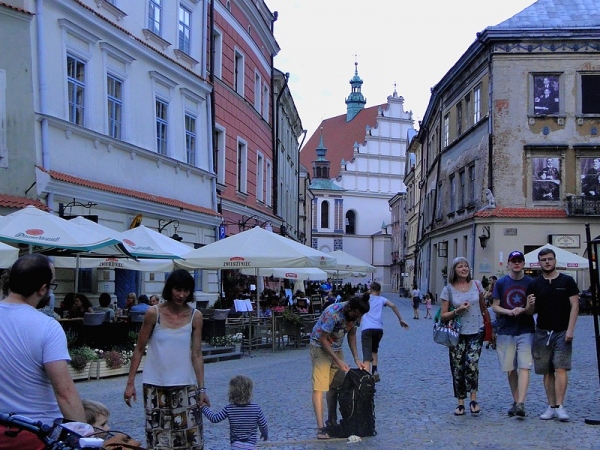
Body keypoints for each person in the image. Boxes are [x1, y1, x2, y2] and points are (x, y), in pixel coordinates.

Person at [0, 254, 86, 449]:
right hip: (36, 431)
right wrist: (84, 436)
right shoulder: (48, 327)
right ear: (42, 289)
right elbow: (65, 393)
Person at [124, 269, 209, 449]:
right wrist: (130, 383)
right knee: (158, 440)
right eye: (177, 289)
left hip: (185, 384)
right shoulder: (153, 313)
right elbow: (139, 349)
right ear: (170, 289)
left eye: (186, 291)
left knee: (190, 439)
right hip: (155, 384)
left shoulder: (196, 316)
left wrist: (202, 389)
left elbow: (197, 354)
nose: (181, 295)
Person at [526, 248, 579, 422]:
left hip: (562, 331)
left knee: (561, 367)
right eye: (543, 260)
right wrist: (530, 305)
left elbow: (575, 306)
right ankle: (551, 405)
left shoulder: (567, 281)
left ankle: (560, 406)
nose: (547, 262)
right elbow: (530, 312)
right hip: (542, 331)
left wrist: (571, 329)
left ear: (555, 260)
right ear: (539, 263)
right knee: (547, 371)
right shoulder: (535, 284)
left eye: (550, 259)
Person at [309, 293, 370, 440]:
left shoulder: (356, 315)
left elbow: (352, 335)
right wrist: (338, 361)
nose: (356, 319)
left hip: (336, 348)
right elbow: (323, 339)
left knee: (336, 387)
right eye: (354, 315)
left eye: (358, 317)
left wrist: (356, 358)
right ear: (349, 307)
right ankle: (321, 428)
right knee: (320, 387)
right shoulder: (333, 313)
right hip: (320, 347)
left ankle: (332, 421)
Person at [440, 257, 490, 416]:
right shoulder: (448, 289)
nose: (464, 269)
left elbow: (483, 305)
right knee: (458, 367)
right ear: (454, 270)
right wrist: (457, 311)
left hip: (477, 330)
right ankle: (460, 401)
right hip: (457, 333)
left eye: (466, 266)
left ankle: (473, 399)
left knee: (472, 364)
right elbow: (443, 315)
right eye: (460, 266)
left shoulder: (477, 285)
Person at [491, 251, 536, 418]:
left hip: (526, 329)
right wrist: (508, 311)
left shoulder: (531, 283)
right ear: (509, 264)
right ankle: (516, 400)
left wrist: (524, 309)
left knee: (525, 366)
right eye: (513, 261)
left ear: (523, 263)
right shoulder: (501, 283)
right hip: (505, 330)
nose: (516, 264)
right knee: (510, 368)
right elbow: (495, 306)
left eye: (519, 261)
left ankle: (521, 403)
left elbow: (532, 310)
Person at [201, 375, 268, 449]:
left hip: (235, 445)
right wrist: (265, 434)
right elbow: (263, 425)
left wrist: (204, 407)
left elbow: (214, 418)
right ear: (249, 391)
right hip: (250, 446)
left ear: (231, 392)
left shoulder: (229, 408)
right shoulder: (256, 408)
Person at [361, 281, 408, 381]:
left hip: (367, 328)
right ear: (378, 291)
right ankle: (375, 371)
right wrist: (400, 319)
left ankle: (366, 378)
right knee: (374, 350)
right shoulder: (381, 299)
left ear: (371, 290)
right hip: (378, 329)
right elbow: (393, 305)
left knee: (366, 354)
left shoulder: (366, 299)